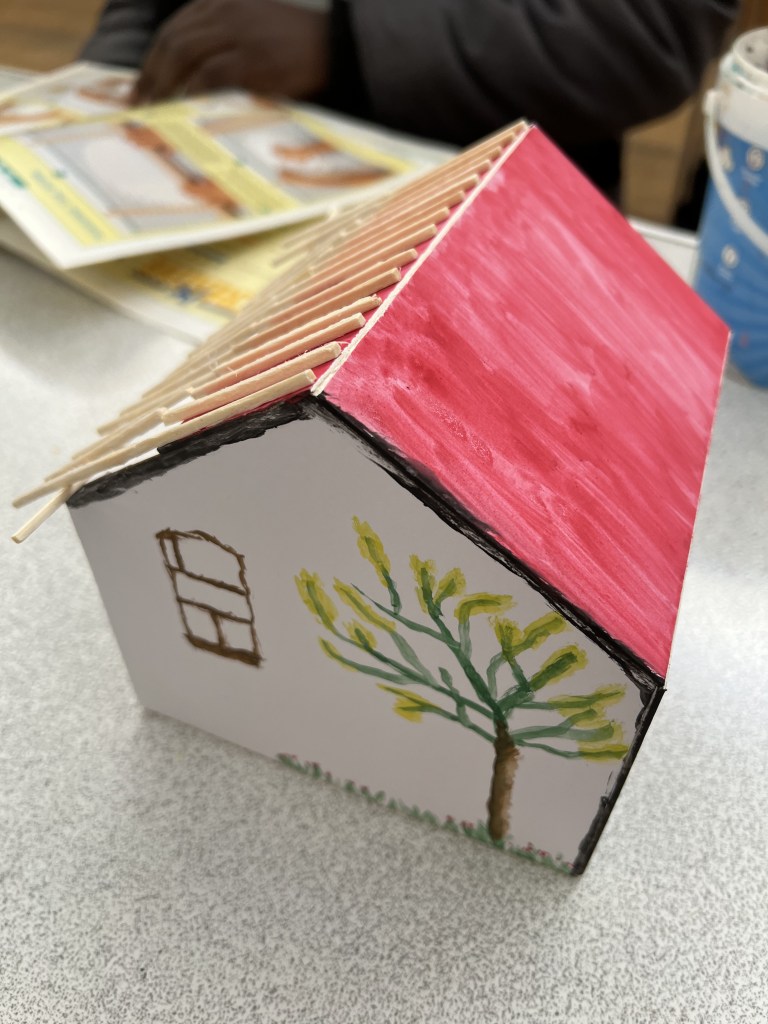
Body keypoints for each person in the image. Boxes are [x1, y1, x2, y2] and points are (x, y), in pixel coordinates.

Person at [82, 0, 739, 198]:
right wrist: (109, 75)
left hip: (476, 207)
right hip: (205, 171)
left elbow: (643, 31)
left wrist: (345, 41)